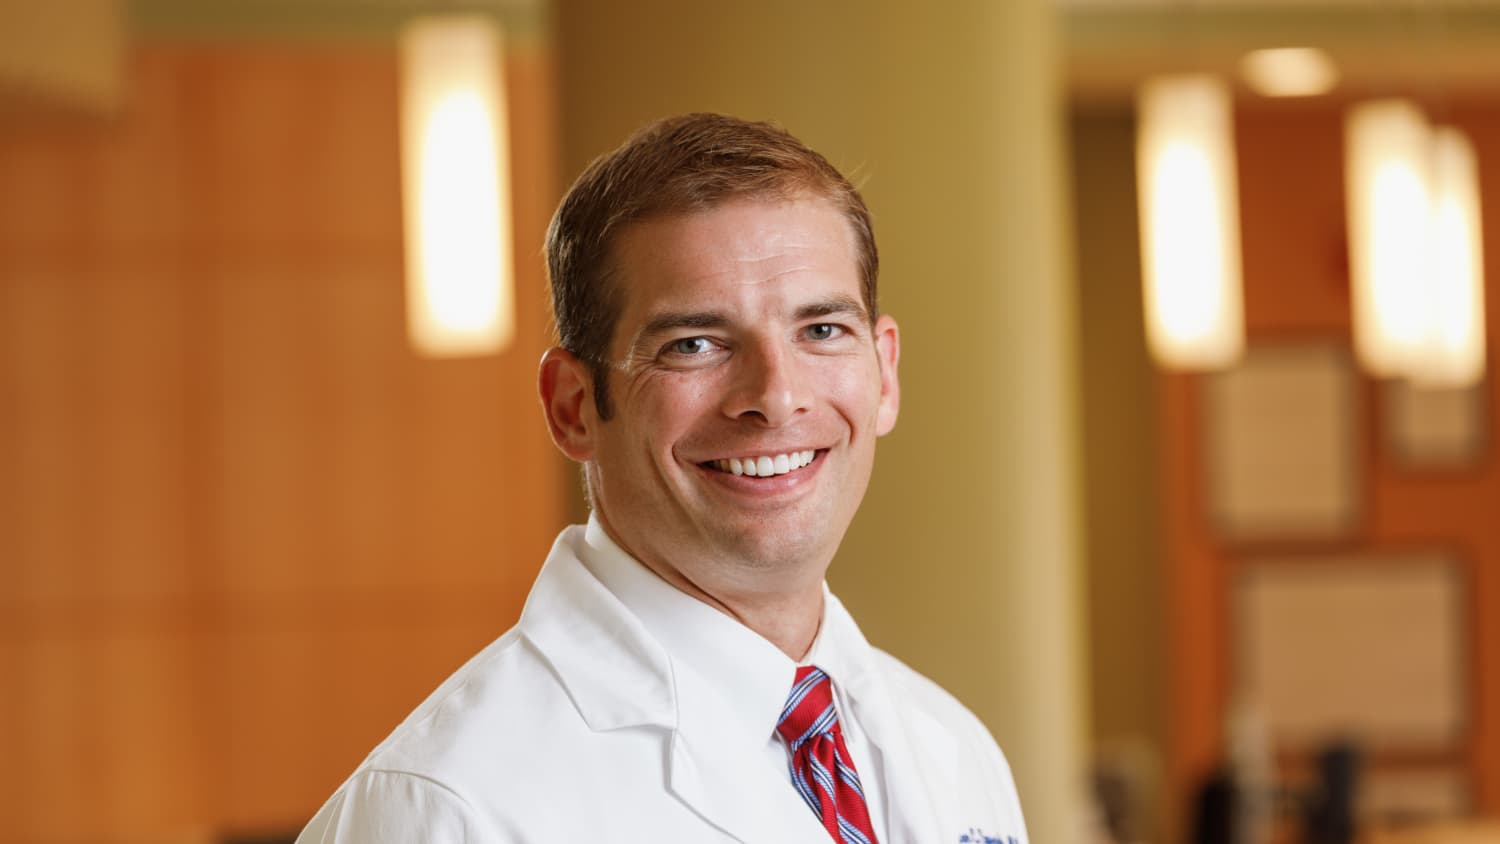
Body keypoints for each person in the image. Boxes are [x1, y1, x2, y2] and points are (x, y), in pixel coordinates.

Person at [297, 113, 1028, 844]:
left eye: (821, 330)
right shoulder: (446, 807)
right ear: (573, 408)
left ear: (885, 374)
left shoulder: (955, 752)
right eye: (695, 344)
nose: (776, 397)